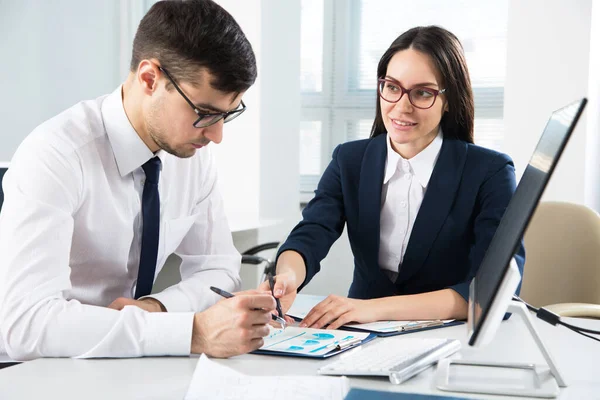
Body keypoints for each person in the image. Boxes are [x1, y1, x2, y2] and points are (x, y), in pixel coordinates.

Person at [0, 0, 276, 360]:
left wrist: (156, 309)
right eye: (206, 113)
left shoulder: (190, 155)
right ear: (150, 79)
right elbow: (25, 322)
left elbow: (218, 267)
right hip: (39, 371)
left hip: (130, 364)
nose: (217, 136)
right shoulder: (55, 156)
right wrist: (191, 333)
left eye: (227, 114)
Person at [264, 26, 525, 330]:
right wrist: (287, 279)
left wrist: (371, 309)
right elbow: (312, 232)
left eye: (423, 93)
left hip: (446, 337)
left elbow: (490, 291)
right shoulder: (349, 160)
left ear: (449, 99)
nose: (402, 106)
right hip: (356, 336)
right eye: (391, 87)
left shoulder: (490, 172)